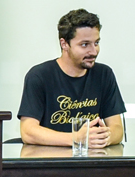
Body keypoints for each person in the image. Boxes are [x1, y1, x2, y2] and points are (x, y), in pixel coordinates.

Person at [17, 8, 125, 149]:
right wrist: (76, 139)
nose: (94, 51)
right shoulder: (39, 76)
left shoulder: (104, 74)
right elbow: (28, 132)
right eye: (84, 44)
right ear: (64, 44)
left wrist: (104, 137)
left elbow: (117, 128)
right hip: (49, 158)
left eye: (96, 43)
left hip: (92, 159)